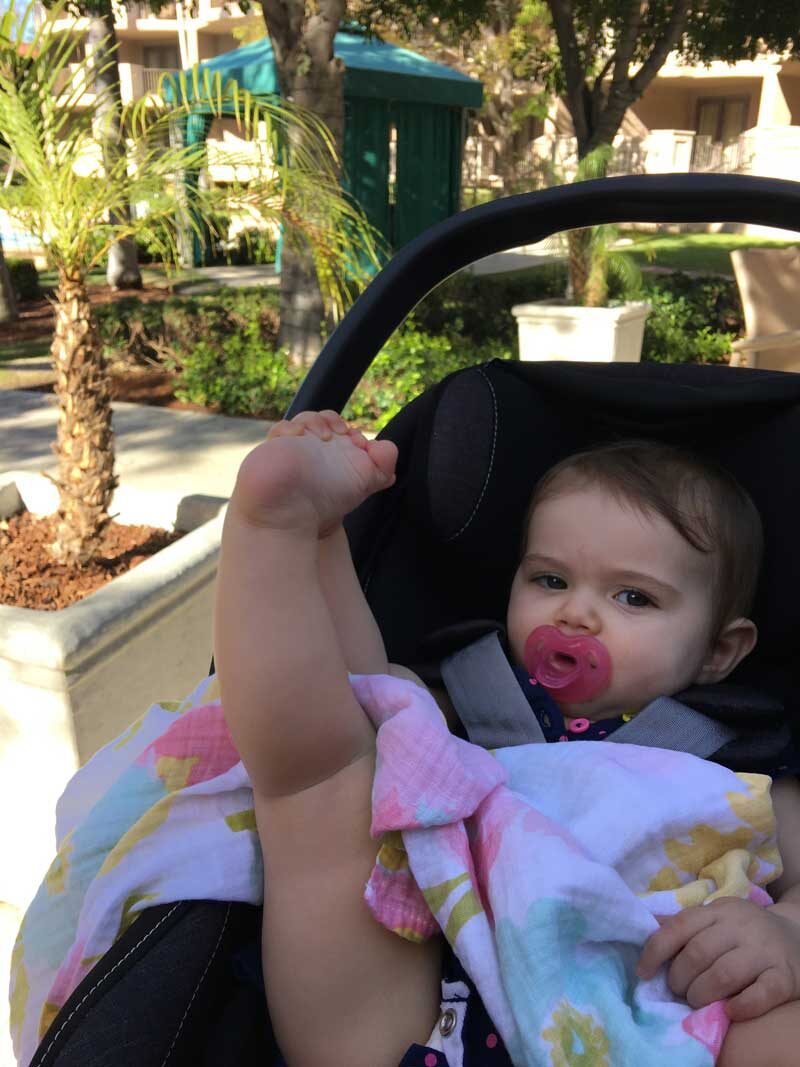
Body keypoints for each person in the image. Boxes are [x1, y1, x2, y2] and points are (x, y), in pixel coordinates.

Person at [214, 410, 800, 1067]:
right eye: (550, 580)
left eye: (633, 597)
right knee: (335, 770)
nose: (574, 612)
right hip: (431, 1011)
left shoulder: (741, 764)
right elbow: (363, 687)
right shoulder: (471, 694)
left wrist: (783, 929)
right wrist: (332, 543)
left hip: (662, 1018)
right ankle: (285, 531)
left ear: (721, 650)